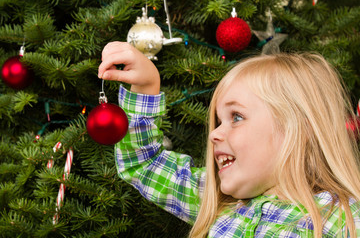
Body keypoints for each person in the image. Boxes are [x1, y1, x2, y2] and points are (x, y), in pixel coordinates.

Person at [98, 41, 360, 237]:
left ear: (297, 129)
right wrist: (146, 87)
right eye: (219, 120)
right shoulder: (217, 201)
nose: (214, 133)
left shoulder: (342, 218)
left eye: (236, 117)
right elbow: (144, 163)